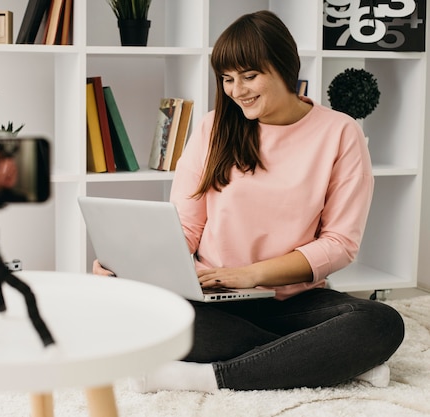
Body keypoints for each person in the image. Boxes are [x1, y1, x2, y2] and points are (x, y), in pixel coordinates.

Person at [93, 10, 404, 391]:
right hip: (213, 300)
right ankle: (331, 362)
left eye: (249, 75)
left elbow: (339, 244)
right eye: (227, 79)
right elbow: (187, 228)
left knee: (380, 323)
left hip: (293, 301)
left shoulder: (340, 132)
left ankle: (210, 377)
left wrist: (251, 275)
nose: (237, 90)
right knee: (154, 315)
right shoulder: (212, 128)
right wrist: (129, 262)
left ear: (285, 67)